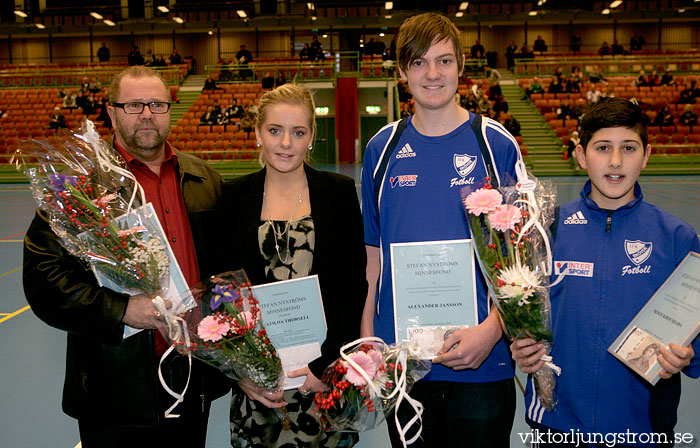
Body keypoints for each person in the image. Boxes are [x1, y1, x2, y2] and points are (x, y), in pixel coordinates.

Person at [22, 66, 228, 448]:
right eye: (134, 104)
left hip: (192, 378)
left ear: (169, 109)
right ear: (113, 113)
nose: (147, 113)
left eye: (157, 104)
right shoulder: (78, 187)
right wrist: (120, 310)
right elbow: (43, 280)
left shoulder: (205, 180)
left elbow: (227, 273)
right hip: (113, 388)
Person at [361, 12, 522, 448]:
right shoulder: (381, 149)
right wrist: (367, 339)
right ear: (401, 72)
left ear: (461, 66)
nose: (432, 74)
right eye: (418, 63)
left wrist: (492, 331)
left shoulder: (496, 143)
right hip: (405, 364)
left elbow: (524, 262)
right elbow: (373, 257)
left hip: (482, 363)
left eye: (444, 61)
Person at [511, 97, 700, 447]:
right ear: (582, 155)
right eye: (603, 148)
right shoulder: (546, 230)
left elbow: (694, 337)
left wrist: (686, 355)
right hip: (557, 424)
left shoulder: (677, 238)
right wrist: (520, 345)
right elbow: (521, 314)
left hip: (643, 429)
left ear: (645, 155)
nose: (615, 162)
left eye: (628, 148)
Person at [213, 83, 367, 447]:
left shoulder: (340, 193)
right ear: (257, 134)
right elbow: (222, 292)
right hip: (259, 389)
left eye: (298, 132)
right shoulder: (233, 198)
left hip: (325, 381)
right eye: (275, 131)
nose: (285, 143)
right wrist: (243, 372)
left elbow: (352, 286)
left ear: (312, 136)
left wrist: (327, 365)